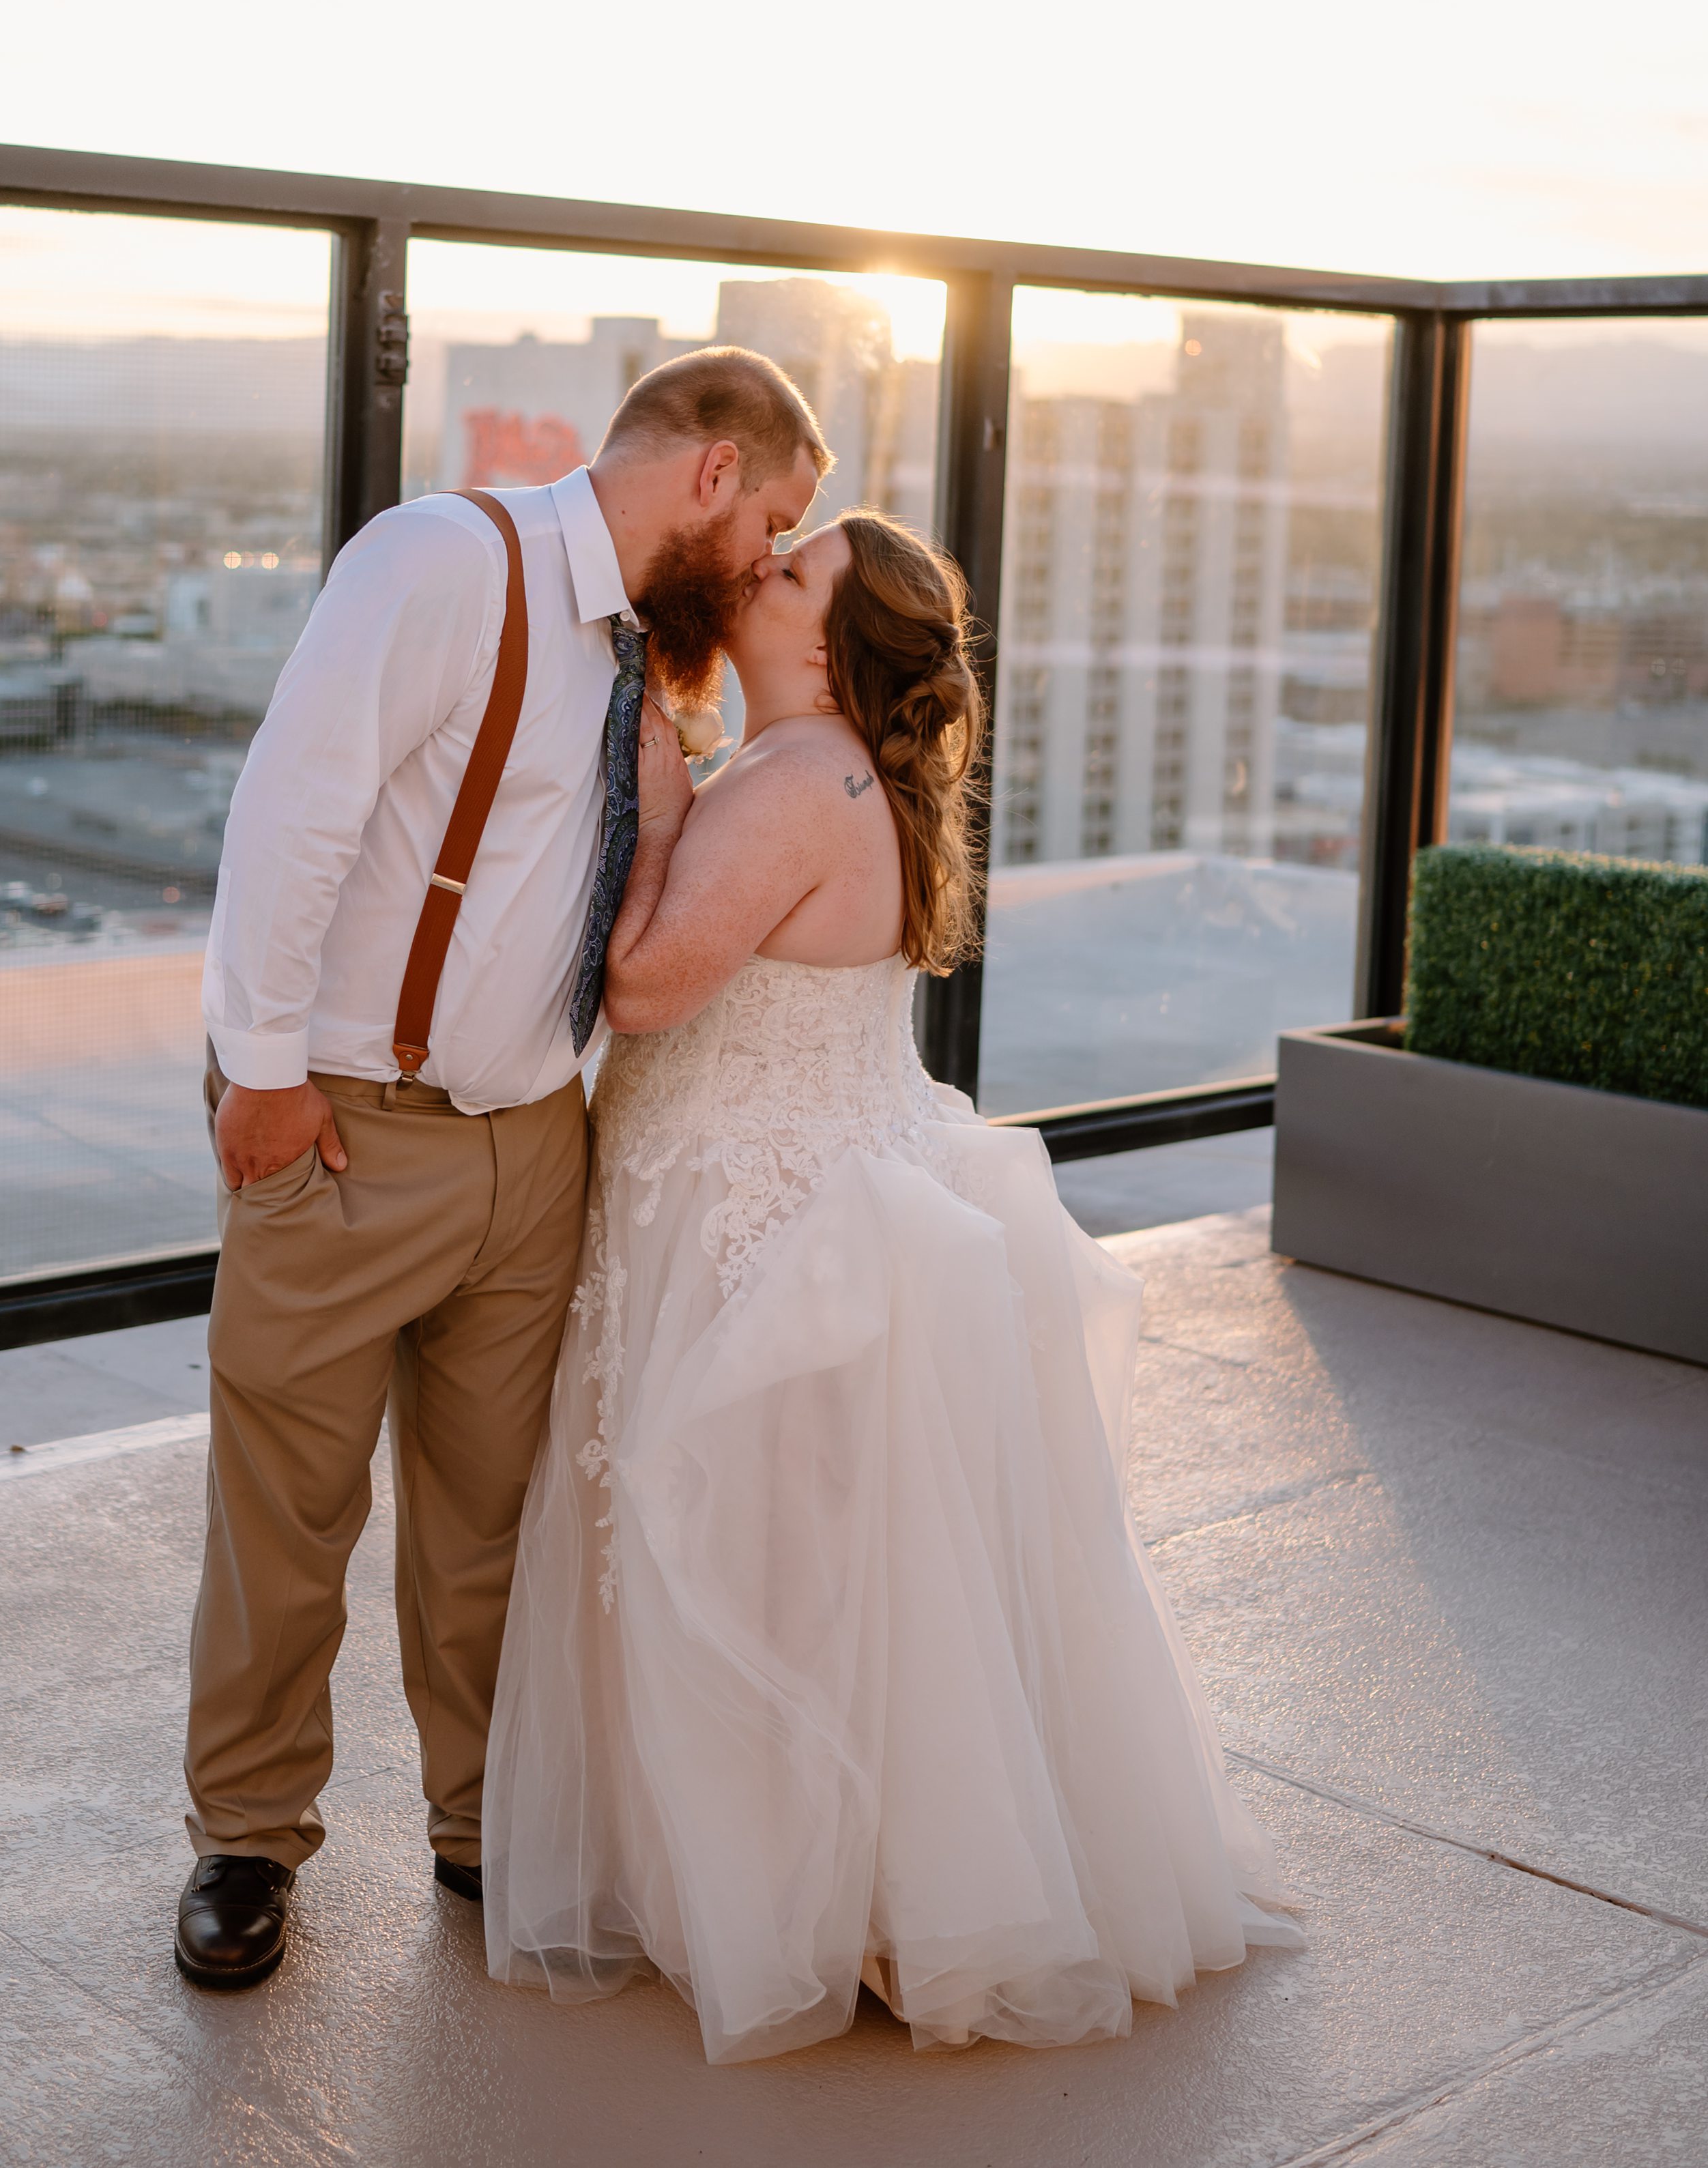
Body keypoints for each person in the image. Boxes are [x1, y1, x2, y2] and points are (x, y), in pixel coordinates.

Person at [484, 509, 1301, 2062]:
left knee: (753, 1562)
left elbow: (648, 984)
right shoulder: (850, 774)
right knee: (828, 1566)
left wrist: (654, 796)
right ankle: (864, 1884)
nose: (760, 574)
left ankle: (814, 1894)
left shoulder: (792, 783)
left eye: (790, 574)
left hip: (748, 1206)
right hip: (820, 1184)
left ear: (832, 646)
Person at [174, 349, 826, 1990]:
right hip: (342, 1126)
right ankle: (249, 1839)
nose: (764, 561)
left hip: (540, 1146)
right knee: (287, 1517)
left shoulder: (633, 650)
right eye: (775, 521)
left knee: (493, 1525)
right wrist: (259, 1065)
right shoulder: (439, 560)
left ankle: (482, 1823)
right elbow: (295, 810)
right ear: (712, 466)